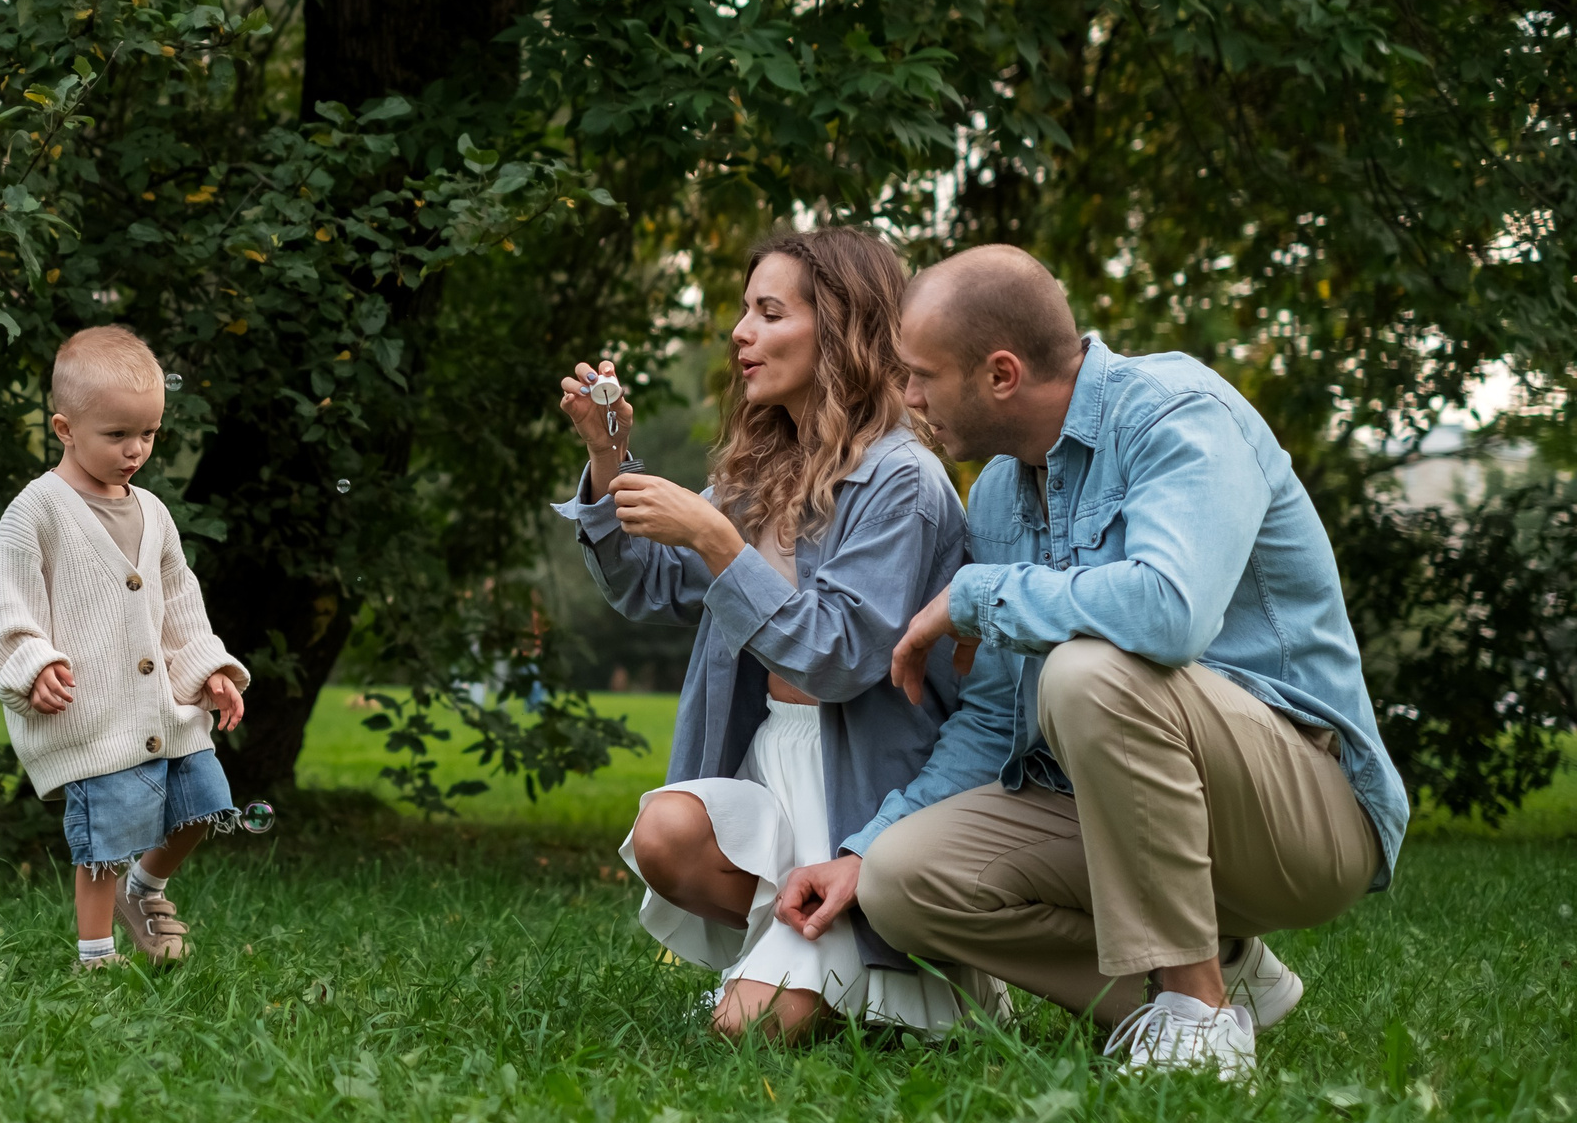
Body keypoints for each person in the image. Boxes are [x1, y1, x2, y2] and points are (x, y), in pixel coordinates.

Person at [768, 245, 1408, 1079]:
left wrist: (977, 596)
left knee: (1089, 670)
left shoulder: (1179, 416)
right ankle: (1214, 982)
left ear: (1001, 373)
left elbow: (1168, 613)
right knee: (904, 880)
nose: (908, 398)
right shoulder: (998, 491)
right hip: (1133, 816)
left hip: (1304, 811)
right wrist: (865, 845)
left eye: (921, 375)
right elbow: (997, 713)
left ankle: (1198, 1015)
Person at [551, 228, 994, 1040]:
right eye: (742, 313)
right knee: (665, 830)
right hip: (775, 757)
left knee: (745, 1035)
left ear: (841, 329)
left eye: (767, 312)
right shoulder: (760, 470)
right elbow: (646, 583)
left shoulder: (903, 481)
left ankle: (896, 971)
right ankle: (782, 956)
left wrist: (717, 542)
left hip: (865, 779)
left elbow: (838, 658)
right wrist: (607, 458)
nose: (740, 334)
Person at [0, 325, 251, 970]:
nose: (135, 450)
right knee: (103, 841)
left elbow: (180, 604)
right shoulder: (36, 513)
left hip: (164, 711)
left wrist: (209, 671)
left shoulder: (154, 513)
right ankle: (95, 958)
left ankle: (147, 887)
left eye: (149, 435)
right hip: (93, 716)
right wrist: (33, 663)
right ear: (64, 428)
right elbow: (9, 606)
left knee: (204, 807)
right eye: (117, 435)